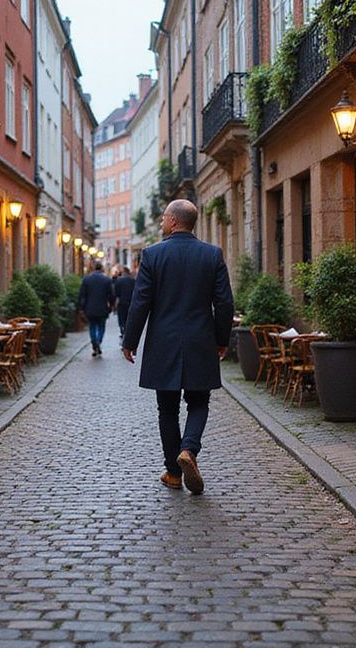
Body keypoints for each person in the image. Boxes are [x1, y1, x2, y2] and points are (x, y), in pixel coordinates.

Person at [121, 199, 233, 495]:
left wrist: (129, 341)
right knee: (199, 402)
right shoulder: (212, 255)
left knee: (167, 409)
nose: (160, 223)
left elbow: (140, 302)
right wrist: (222, 339)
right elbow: (224, 303)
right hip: (200, 341)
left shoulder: (153, 255)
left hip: (164, 344)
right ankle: (189, 450)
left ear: (172, 221)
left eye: (162, 219)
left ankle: (173, 472)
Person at [77, 259, 115, 356]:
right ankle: (98, 341)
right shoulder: (106, 280)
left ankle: (95, 342)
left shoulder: (86, 279)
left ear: (94, 268)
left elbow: (82, 295)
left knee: (92, 326)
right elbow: (111, 295)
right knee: (101, 327)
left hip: (90, 308)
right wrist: (111, 305)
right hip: (102, 308)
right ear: (101, 269)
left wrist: (81, 307)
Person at [113, 260, 136, 338]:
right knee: (129, 317)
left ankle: (123, 330)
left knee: (121, 317)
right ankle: (127, 330)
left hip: (122, 302)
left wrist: (115, 302)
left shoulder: (119, 280)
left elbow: (116, 292)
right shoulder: (133, 280)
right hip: (131, 302)